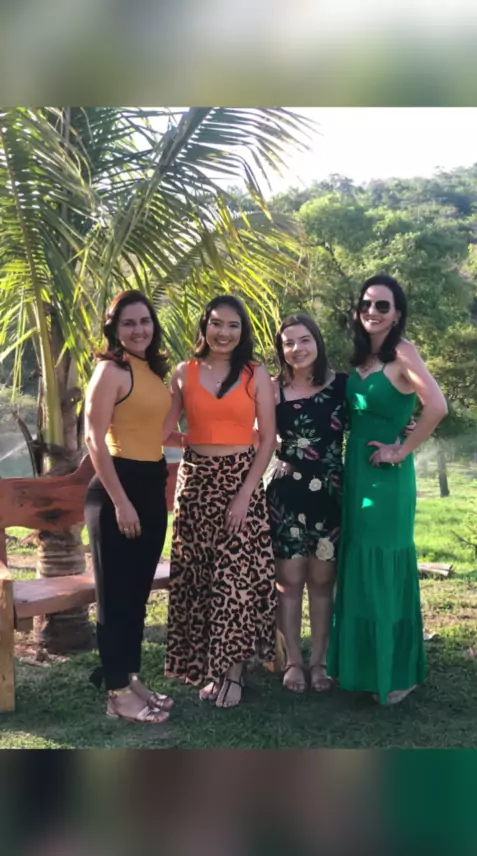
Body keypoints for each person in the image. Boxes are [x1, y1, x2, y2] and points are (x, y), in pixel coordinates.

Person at [327, 274, 448, 705]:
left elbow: (437, 406)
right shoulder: (363, 357)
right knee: (359, 565)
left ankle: (394, 673)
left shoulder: (403, 352)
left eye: (383, 305)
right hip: (356, 474)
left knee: (382, 566)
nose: (372, 312)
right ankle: (361, 668)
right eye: (366, 304)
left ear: (397, 314)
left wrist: (401, 450)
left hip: (387, 479)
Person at [163, 294, 277, 708]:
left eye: (233, 325)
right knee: (200, 577)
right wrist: (194, 441)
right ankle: (211, 668)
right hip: (195, 484)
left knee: (235, 577)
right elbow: (163, 430)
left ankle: (234, 672)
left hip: (240, 481)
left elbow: (268, 440)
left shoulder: (254, 373)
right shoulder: (184, 372)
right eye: (216, 323)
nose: (223, 333)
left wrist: (245, 494)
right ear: (204, 326)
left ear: (242, 331)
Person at [84, 290, 181, 724]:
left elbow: (154, 433)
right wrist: (121, 502)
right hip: (116, 490)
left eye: (144, 321)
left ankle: (131, 678)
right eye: (128, 323)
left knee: (137, 595)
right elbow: (93, 438)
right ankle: (117, 692)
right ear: (114, 329)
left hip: (150, 484)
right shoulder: (110, 370)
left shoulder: (150, 371)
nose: (139, 329)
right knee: (116, 596)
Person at [265, 314, 348, 693]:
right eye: (288, 343)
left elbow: (373, 419)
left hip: (329, 494)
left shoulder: (342, 385)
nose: (297, 348)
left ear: (317, 342)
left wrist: (401, 435)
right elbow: (257, 435)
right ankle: (293, 662)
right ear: (280, 349)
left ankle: (320, 661)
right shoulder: (272, 389)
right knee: (289, 580)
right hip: (286, 495)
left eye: (304, 340)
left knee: (322, 580)